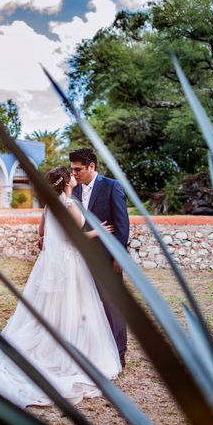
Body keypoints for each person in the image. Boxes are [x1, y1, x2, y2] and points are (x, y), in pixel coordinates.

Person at [0, 166, 122, 408]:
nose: (75, 177)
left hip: (51, 264)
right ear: (66, 182)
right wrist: (98, 231)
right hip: (70, 264)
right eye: (71, 175)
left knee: (49, 307)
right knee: (71, 306)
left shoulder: (49, 206)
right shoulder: (69, 205)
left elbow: (41, 232)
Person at [69, 148, 129, 368]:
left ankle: (119, 354)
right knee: (85, 305)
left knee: (113, 307)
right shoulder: (73, 192)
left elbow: (122, 225)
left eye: (78, 169)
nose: (74, 174)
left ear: (92, 166)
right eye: (72, 169)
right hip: (80, 259)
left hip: (106, 258)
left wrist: (118, 257)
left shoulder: (111, 186)